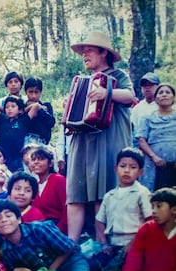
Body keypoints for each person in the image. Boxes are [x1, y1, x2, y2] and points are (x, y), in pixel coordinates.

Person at [67, 31, 135, 242]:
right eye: (83, 52)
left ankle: (103, 246)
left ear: (103, 52)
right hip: (83, 140)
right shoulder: (81, 81)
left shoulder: (118, 76)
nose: (84, 55)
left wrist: (108, 93)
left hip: (107, 139)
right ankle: (71, 245)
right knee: (76, 193)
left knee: (102, 193)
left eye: (88, 51)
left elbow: (130, 96)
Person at [0, 199, 90, 271]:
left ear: (19, 219)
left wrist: (50, 270)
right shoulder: (6, 250)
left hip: (70, 262)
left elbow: (69, 247)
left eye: (8, 216)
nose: (4, 220)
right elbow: (11, 267)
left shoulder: (39, 229)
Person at [122, 187, 176, 271]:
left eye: (159, 206)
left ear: (174, 210)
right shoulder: (146, 229)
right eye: (152, 207)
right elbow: (134, 259)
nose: (153, 211)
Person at [137, 83, 176, 191]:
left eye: (168, 92)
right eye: (161, 93)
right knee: (153, 196)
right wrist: (154, 157)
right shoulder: (147, 117)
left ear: (173, 98)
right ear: (155, 98)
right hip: (153, 164)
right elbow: (141, 140)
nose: (164, 95)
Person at [0, 96, 42, 172]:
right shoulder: (3, 119)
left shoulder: (23, 120)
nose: (10, 109)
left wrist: (22, 110)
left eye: (13, 106)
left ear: (19, 109)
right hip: (3, 158)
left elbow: (36, 105)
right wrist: (4, 110)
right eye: (7, 107)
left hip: (17, 158)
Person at [30, 146, 68, 234]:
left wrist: (58, 231)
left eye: (41, 159)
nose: (36, 162)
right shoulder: (34, 185)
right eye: (33, 159)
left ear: (50, 163)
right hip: (38, 230)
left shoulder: (58, 179)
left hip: (57, 229)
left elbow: (67, 208)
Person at [130, 72, 160, 147]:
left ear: (158, 87)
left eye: (150, 85)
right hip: (139, 145)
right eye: (144, 85)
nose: (147, 88)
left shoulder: (164, 106)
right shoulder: (137, 108)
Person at [24, 77, 55, 145]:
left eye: (36, 92)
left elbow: (51, 122)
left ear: (40, 92)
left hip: (43, 143)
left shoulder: (46, 106)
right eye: (31, 92)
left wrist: (39, 109)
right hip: (27, 143)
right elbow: (24, 124)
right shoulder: (23, 107)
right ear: (26, 92)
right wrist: (31, 108)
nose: (33, 95)